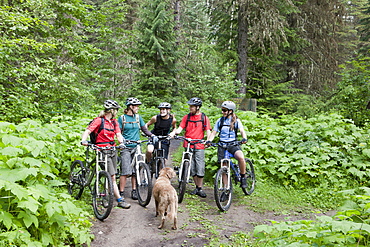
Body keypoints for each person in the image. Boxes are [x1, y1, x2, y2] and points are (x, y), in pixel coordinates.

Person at [81, 99, 131, 209]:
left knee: (110, 175)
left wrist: (121, 143)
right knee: (112, 176)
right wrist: (84, 140)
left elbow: (118, 135)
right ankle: (119, 200)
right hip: (102, 150)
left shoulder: (114, 122)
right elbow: (88, 131)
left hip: (112, 150)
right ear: (112, 110)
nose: (117, 112)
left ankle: (106, 197)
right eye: (116, 110)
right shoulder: (99, 121)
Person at [169, 97, 211, 198]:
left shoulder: (204, 118)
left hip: (199, 145)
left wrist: (208, 140)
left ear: (197, 107)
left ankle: (199, 188)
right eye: (190, 106)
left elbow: (208, 130)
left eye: (192, 106)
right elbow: (180, 129)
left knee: (200, 167)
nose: (190, 108)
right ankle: (197, 186)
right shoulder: (186, 117)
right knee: (191, 167)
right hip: (188, 144)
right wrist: (174, 133)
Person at [118, 97, 156, 200]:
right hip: (126, 147)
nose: (138, 108)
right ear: (130, 107)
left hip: (136, 146)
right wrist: (121, 142)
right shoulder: (122, 118)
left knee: (136, 169)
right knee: (125, 171)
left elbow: (144, 130)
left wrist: (152, 135)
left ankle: (134, 190)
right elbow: (118, 133)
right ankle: (121, 192)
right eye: (136, 106)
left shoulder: (138, 118)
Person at [206, 101, 248, 188]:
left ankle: (243, 177)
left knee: (240, 157)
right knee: (224, 167)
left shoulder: (236, 121)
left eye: (224, 110)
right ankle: (226, 188)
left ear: (231, 111)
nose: (222, 112)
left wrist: (244, 138)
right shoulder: (220, 121)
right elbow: (214, 133)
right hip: (222, 145)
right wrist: (209, 140)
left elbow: (242, 130)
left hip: (233, 144)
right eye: (222, 110)